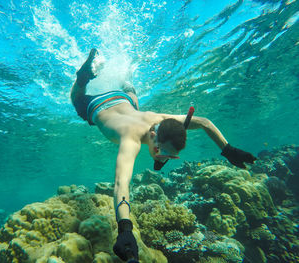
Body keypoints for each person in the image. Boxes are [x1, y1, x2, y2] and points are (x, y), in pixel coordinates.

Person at [70, 48, 256, 262]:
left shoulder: (161, 120)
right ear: (153, 136)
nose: (163, 157)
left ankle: (127, 78)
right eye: (162, 152)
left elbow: (204, 122)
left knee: (134, 104)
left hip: (123, 100)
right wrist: (125, 228)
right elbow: (121, 184)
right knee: (76, 98)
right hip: (95, 104)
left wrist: (228, 150)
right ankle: (82, 79)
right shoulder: (130, 139)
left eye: (170, 156)